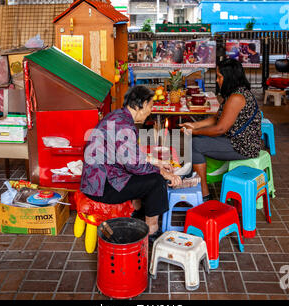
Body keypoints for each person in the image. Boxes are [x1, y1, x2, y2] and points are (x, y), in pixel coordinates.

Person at [80, 86, 182, 241]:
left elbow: (130, 155)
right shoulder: (124, 126)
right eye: (150, 106)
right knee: (156, 181)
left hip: (97, 181)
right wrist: (162, 172)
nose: (151, 111)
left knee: (150, 173)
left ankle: (136, 212)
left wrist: (158, 162)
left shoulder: (117, 116)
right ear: (140, 105)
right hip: (103, 187)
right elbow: (135, 165)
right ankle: (152, 232)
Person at [179, 59, 262, 201]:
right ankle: (193, 179)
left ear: (229, 76)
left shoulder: (237, 97)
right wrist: (195, 126)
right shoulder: (234, 93)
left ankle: (203, 192)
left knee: (194, 144)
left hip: (243, 146)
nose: (217, 80)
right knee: (196, 140)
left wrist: (194, 132)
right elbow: (217, 118)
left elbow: (220, 129)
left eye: (219, 76)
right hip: (236, 140)